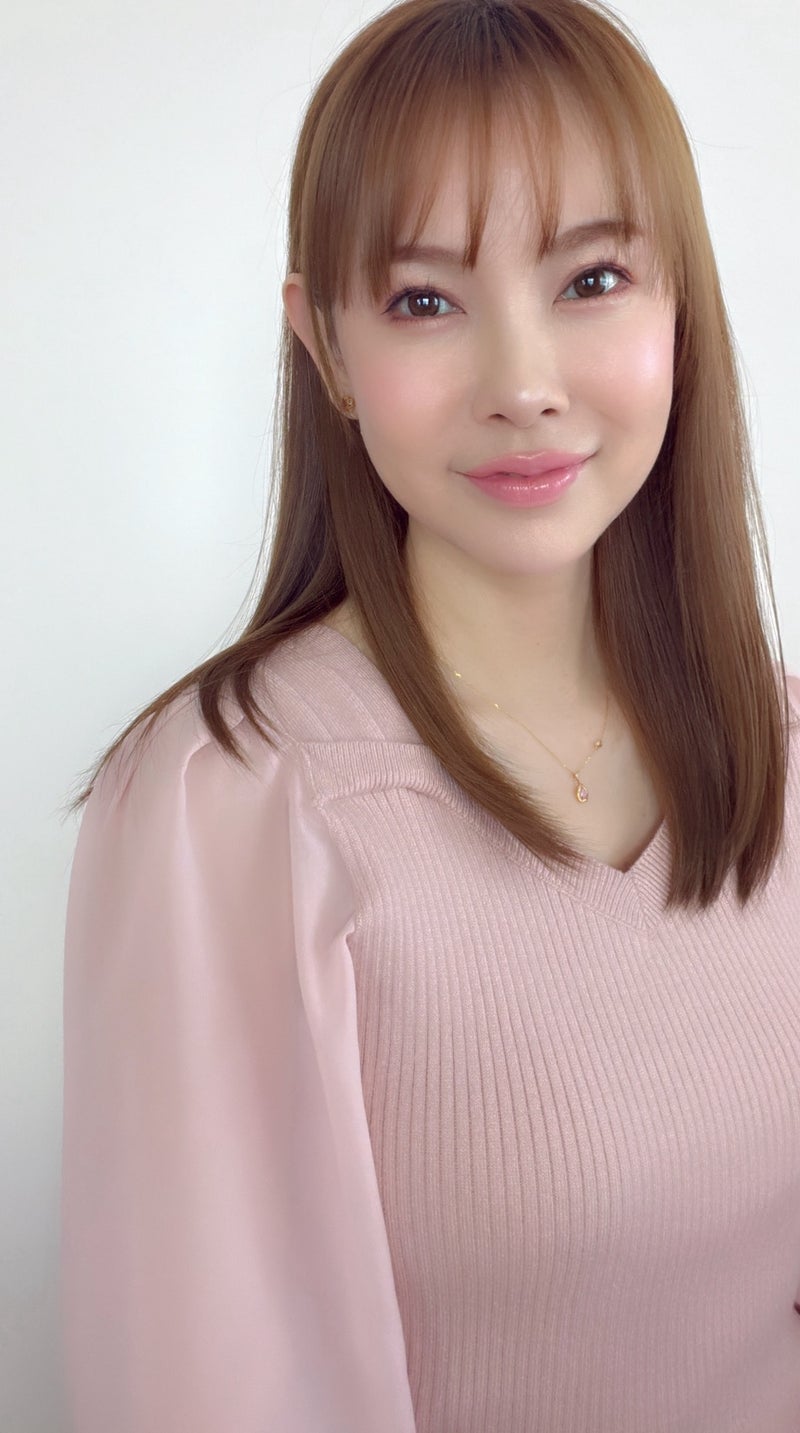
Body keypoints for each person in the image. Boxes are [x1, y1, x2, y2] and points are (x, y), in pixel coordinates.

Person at [60, 1, 800, 1429]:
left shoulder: (782, 747)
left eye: (592, 279)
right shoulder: (232, 801)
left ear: (680, 309)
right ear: (326, 349)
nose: (522, 384)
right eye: (423, 301)